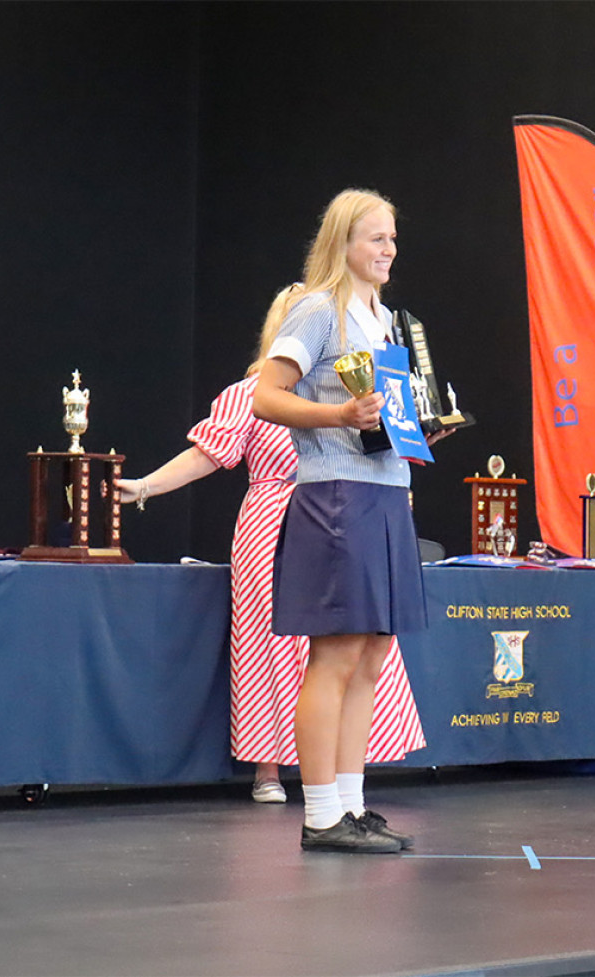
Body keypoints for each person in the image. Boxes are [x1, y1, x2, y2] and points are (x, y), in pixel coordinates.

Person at [114, 293, 426, 806]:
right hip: (274, 523)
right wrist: (145, 486)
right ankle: (269, 768)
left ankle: (346, 777)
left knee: (358, 643)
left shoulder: (355, 385)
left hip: (349, 511)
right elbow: (206, 454)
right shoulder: (251, 393)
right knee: (272, 644)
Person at [252, 188, 438, 854]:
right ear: (343, 243)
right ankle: (320, 813)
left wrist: (417, 432)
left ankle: (352, 804)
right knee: (334, 655)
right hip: (334, 494)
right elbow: (266, 396)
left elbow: (382, 415)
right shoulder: (315, 308)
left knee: (373, 654)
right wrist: (338, 416)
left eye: (392, 238)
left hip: (385, 492)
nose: (388, 250)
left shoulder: (384, 319)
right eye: (374, 238)